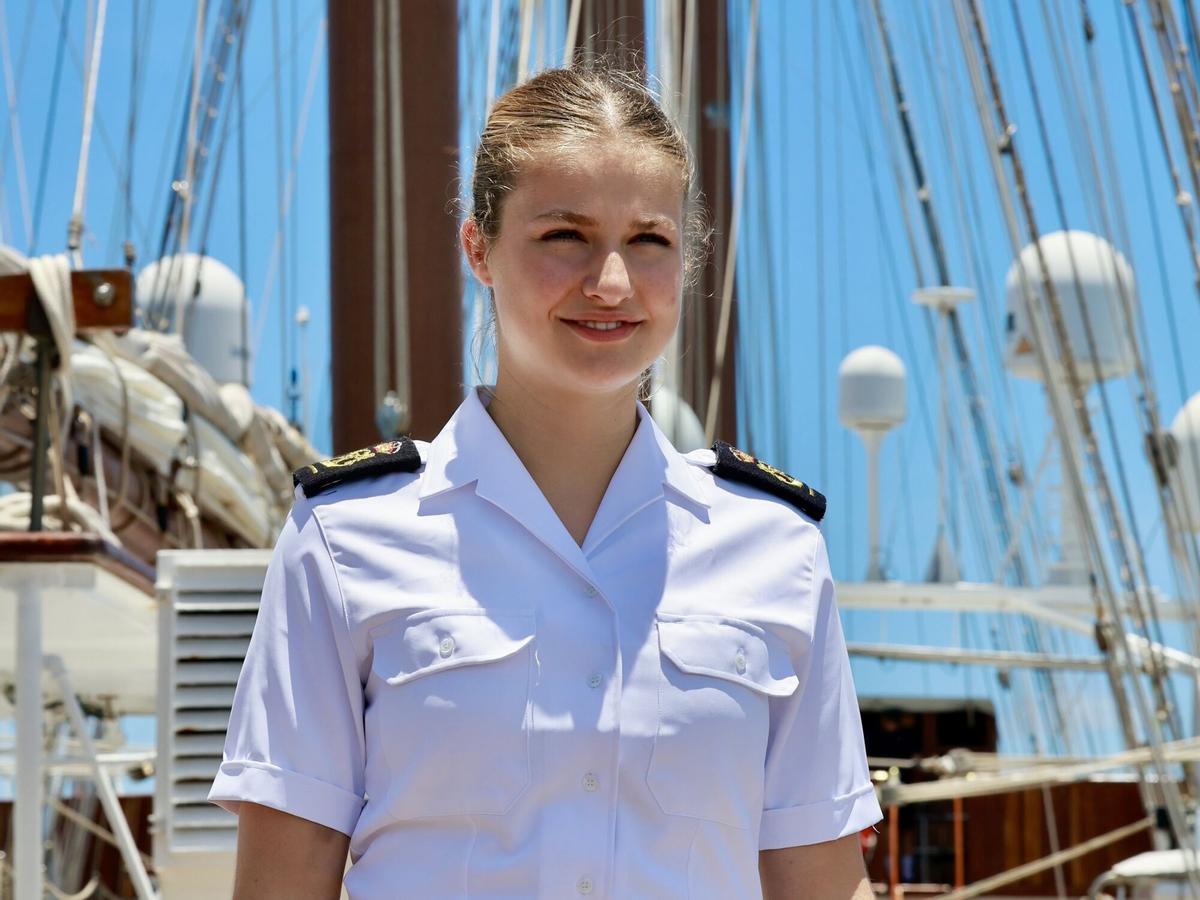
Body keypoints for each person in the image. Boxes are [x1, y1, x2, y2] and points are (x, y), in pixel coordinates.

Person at [209, 61, 882, 899]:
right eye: (566, 235)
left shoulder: (777, 548)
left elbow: (820, 880)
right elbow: (281, 882)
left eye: (650, 241)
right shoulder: (344, 540)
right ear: (479, 248)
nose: (611, 283)